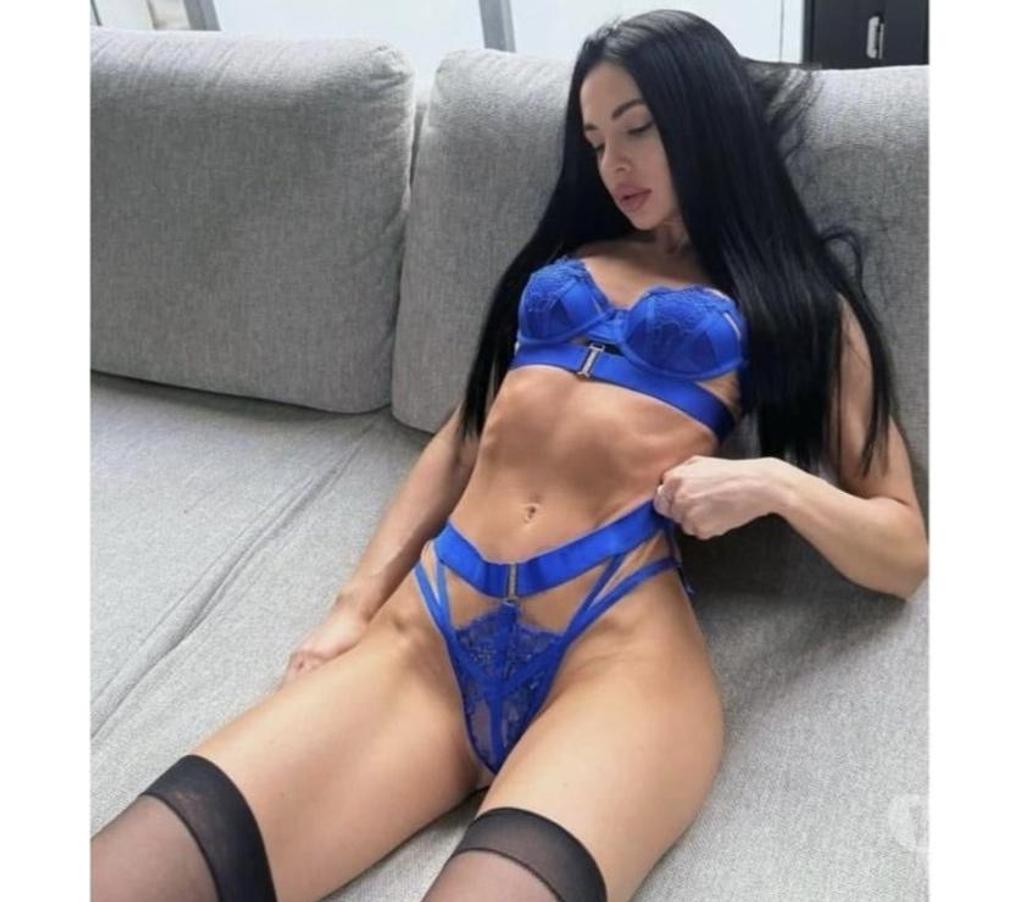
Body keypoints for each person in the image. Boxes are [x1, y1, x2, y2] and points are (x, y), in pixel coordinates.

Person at [90, 9, 928, 902]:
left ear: (706, 118)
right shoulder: (572, 257)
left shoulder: (799, 305)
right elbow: (463, 439)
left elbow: (903, 550)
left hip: (616, 659)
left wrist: (773, 484)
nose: (613, 164)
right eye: (595, 140)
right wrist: (352, 605)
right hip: (431, 630)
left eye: (638, 128)